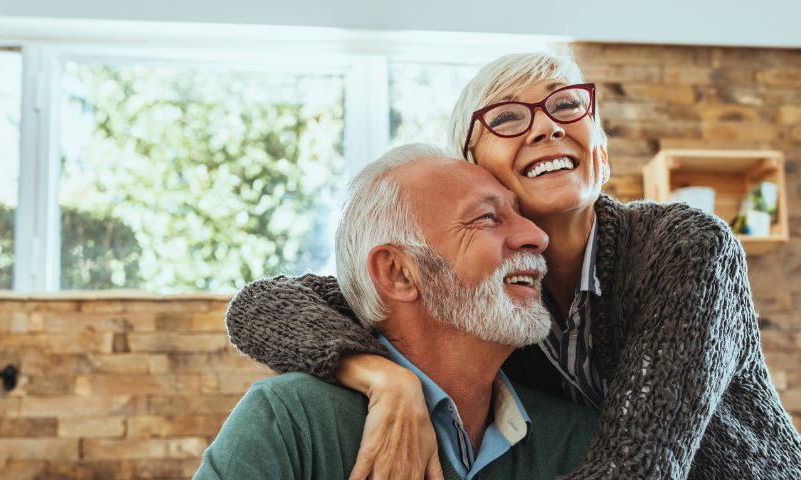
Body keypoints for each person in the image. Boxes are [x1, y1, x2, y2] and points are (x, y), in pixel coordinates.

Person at [226, 52, 801, 479]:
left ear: (602, 152)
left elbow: (639, 468)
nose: (545, 125)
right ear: (473, 164)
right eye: (509, 118)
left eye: (567, 106)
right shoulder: (489, 295)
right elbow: (262, 305)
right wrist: (385, 377)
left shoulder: (687, 247)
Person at [195, 144, 600, 479]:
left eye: (521, 215)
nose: (537, 236)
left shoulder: (579, 439)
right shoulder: (290, 422)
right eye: (488, 218)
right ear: (398, 273)